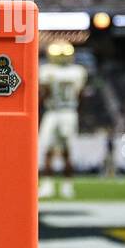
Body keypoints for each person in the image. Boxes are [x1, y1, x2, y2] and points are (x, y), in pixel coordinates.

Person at [39, 41, 87, 199]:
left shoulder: (46, 70)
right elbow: (80, 95)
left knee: (49, 151)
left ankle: (49, 184)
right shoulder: (78, 71)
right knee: (66, 151)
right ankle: (66, 185)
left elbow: (44, 94)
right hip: (69, 112)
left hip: (53, 112)